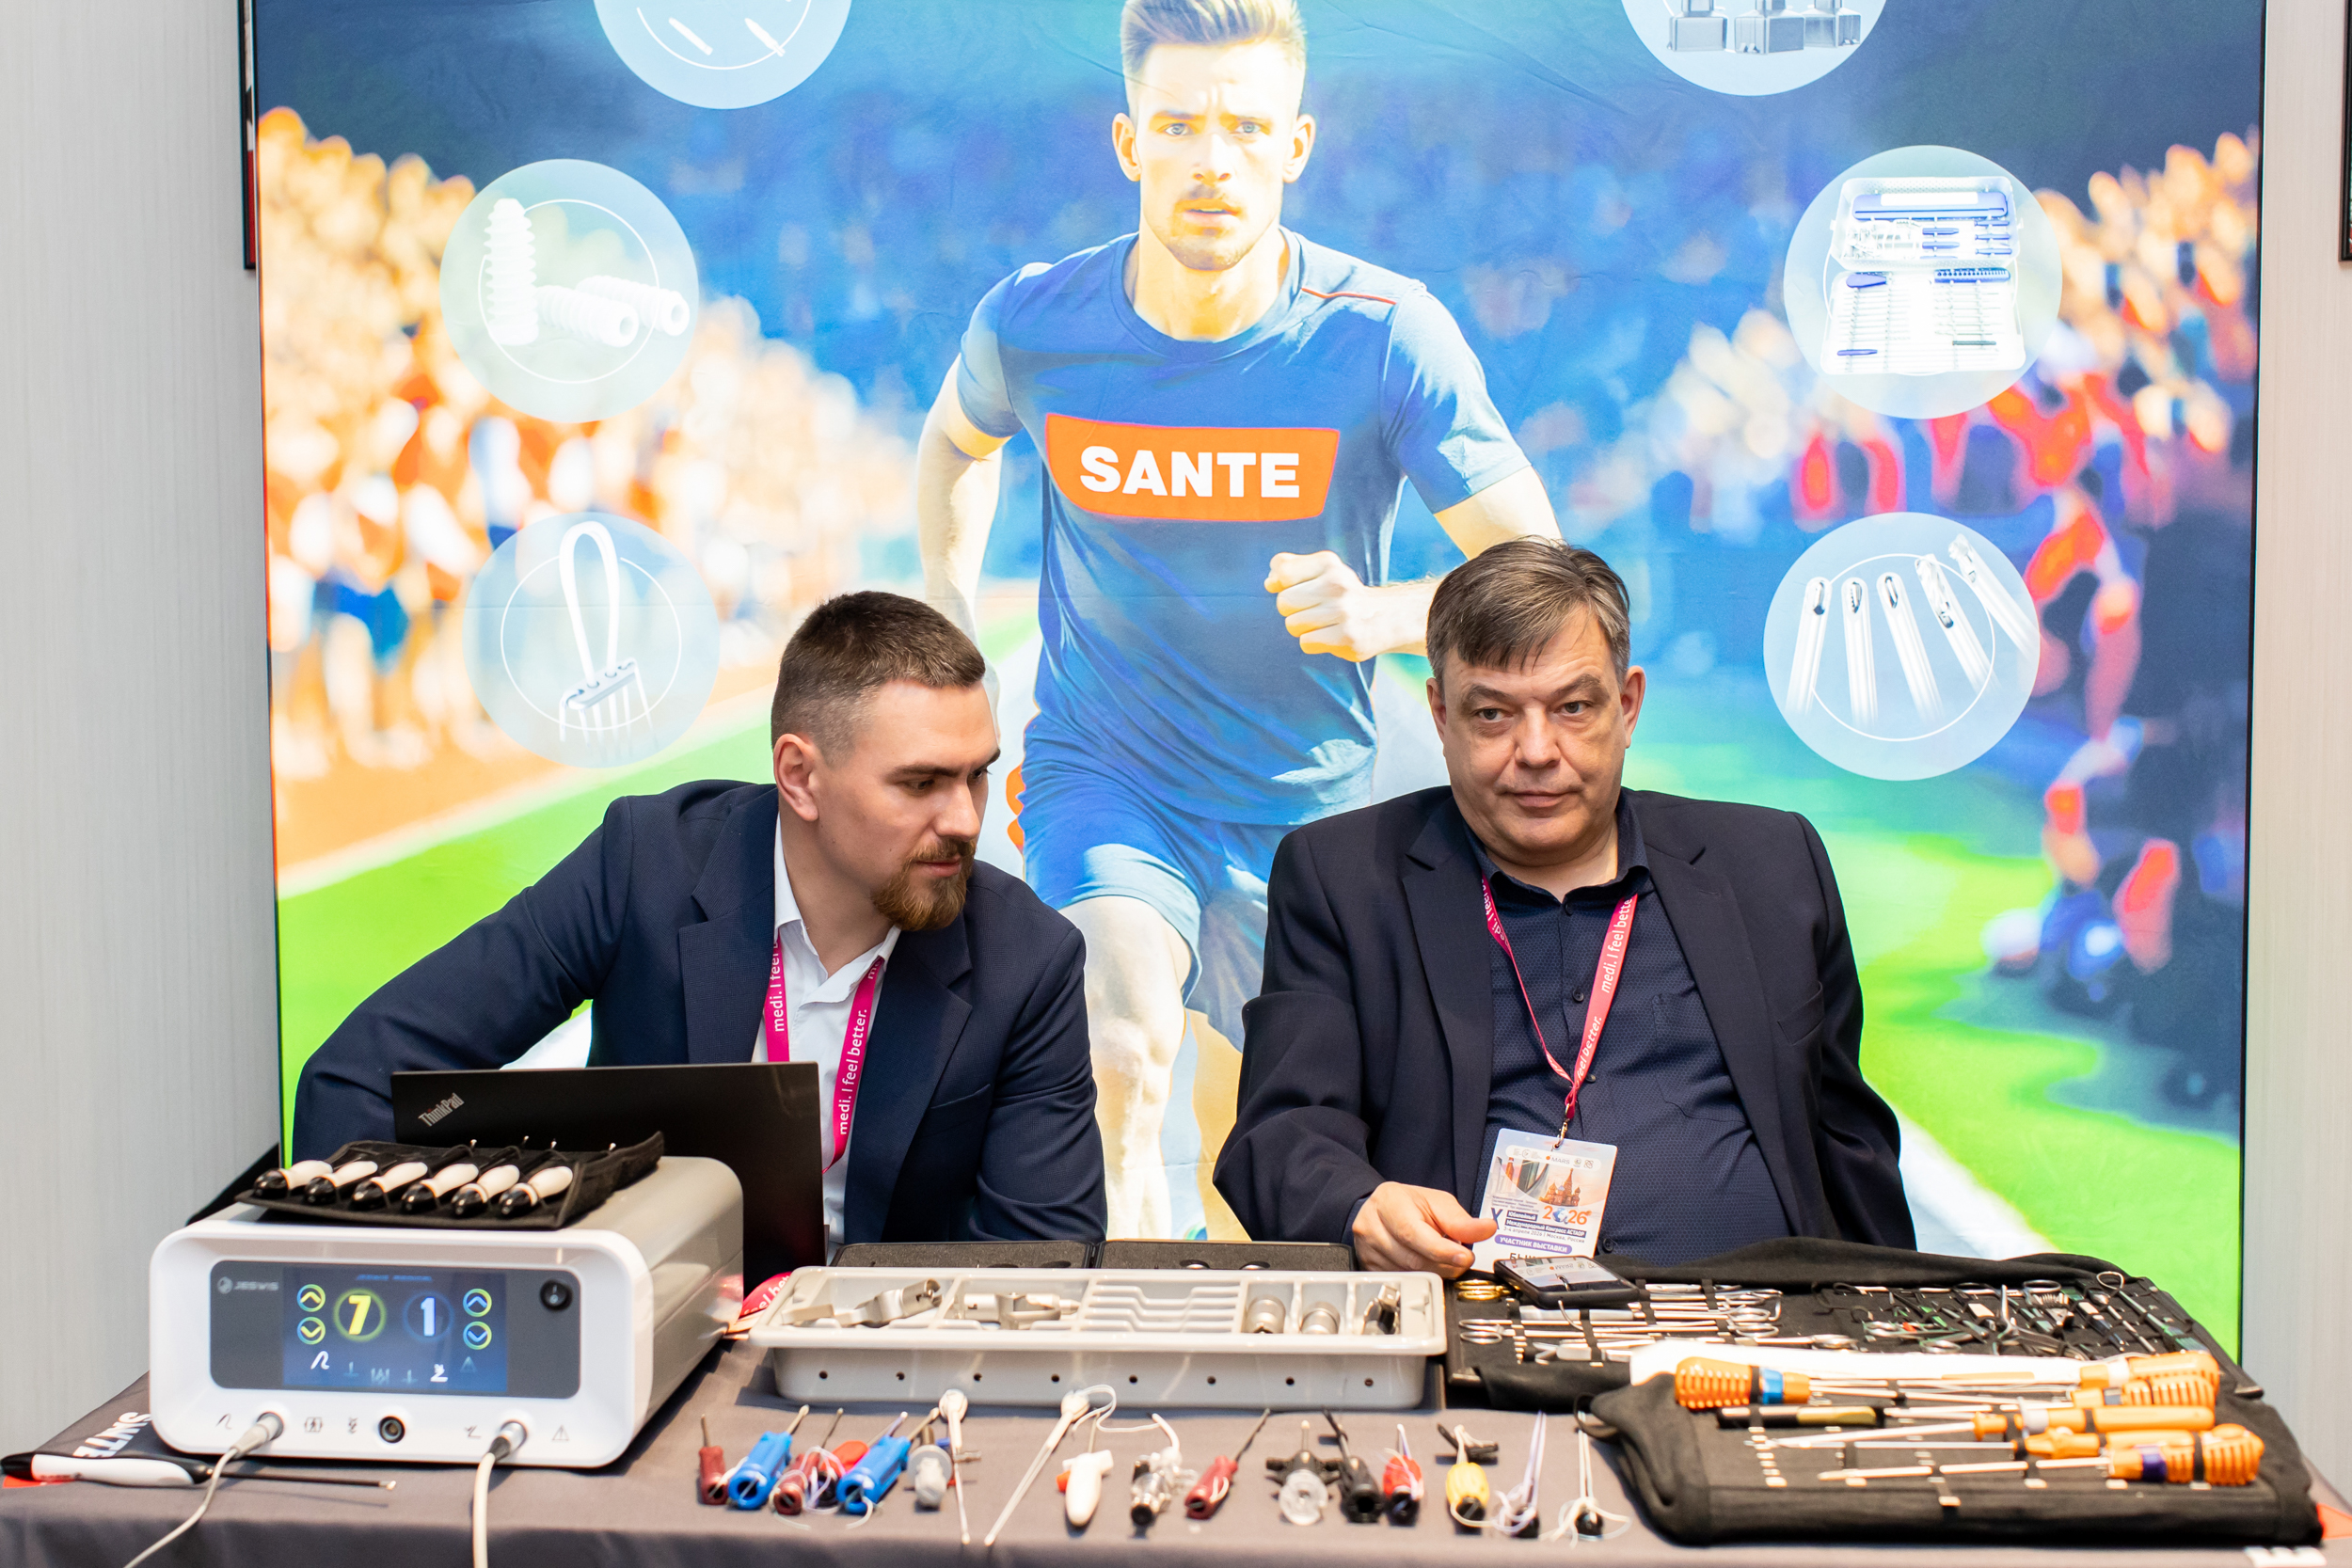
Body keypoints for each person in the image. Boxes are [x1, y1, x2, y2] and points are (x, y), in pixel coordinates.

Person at [916, 0, 1561, 1235]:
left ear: (1295, 145)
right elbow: (954, 441)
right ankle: (1130, 1310)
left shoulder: (1383, 335)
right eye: (1179, 126)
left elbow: (1541, 571)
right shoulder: (1037, 323)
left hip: (1304, 809)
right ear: (1129, 143)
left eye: (1245, 128)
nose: (1212, 158)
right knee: (1121, 1044)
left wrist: (1381, 611)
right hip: (1108, 774)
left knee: (1256, 1156)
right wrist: (947, 618)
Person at [294, 592, 1107, 1249]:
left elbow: (1048, 1256)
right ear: (799, 776)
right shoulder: (644, 865)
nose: (966, 819)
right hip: (645, 1342)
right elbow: (359, 1077)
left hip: (885, 1365)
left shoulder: (1027, 958)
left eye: (977, 775)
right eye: (921, 782)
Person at [1215, 539, 1914, 1271]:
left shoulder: (1769, 865)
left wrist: (1905, 1311)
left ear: (1628, 705)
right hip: (1474, 1318)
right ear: (1441, 714)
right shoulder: (1343, 878)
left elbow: (1850, 1143)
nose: (1537, 750)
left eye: (1573, 707)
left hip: (1759, 1320)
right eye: (1493, 714)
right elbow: (1282, 1134)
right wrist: (1361, 1205)